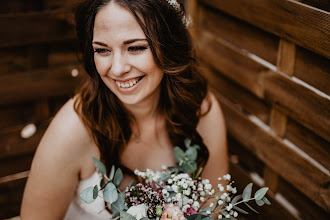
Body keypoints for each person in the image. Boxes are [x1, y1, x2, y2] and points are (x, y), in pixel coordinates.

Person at [20, 0, 228, 219]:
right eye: (102, 50)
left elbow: (213, 209)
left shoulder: (199, 109)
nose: (117, 69)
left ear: (169, 44)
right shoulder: (71, 130)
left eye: (135, 47)